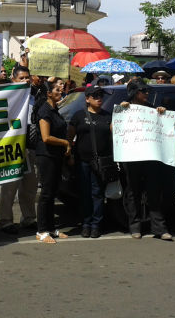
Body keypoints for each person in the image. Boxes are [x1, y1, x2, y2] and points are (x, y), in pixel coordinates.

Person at [120, 79, 172, 240]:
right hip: (132, 158)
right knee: (133, 192)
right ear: (135, 93)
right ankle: (135, 227)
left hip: (151, 158)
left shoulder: (152, 109)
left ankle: (159, 228)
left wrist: (162, 113)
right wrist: (120, 112)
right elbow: (114, 129)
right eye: (144, 91)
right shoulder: (124, 108)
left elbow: (163, 127)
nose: (147, 93)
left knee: (154, 192)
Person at [67, 84, 112, 239]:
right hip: (82, 162)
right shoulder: (78, 116)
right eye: (95, 96)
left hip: (100, 163)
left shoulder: (108, 116)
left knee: (97, 193)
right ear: (87, 99)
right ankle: (86, 224)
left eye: (101, 96)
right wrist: (70, 155)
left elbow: (116, 134)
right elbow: (70, 137)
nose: (99, 99)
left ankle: (96, 225)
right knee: (85, 193)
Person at [0, 66, 38, 234]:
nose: (25, 80)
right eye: (21, 78)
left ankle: (28, 217)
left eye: (27, 77)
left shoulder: (34, 97)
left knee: (30, 184)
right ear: (13, 79)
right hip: (12, 146)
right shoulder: (5, 97)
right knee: (10, 185)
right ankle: (6, 220)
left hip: (29, 145)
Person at [35, 77, 71, 244]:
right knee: (46, 193)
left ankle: (50, 228)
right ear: (49, 93)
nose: (60, 91)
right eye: (57, 89)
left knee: (52, 193)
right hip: (46, 156)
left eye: (60, 89)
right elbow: (46, 137)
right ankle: (42, 230)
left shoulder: (54, 109)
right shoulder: (45, 111)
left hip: (56, 156)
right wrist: (65, 143)